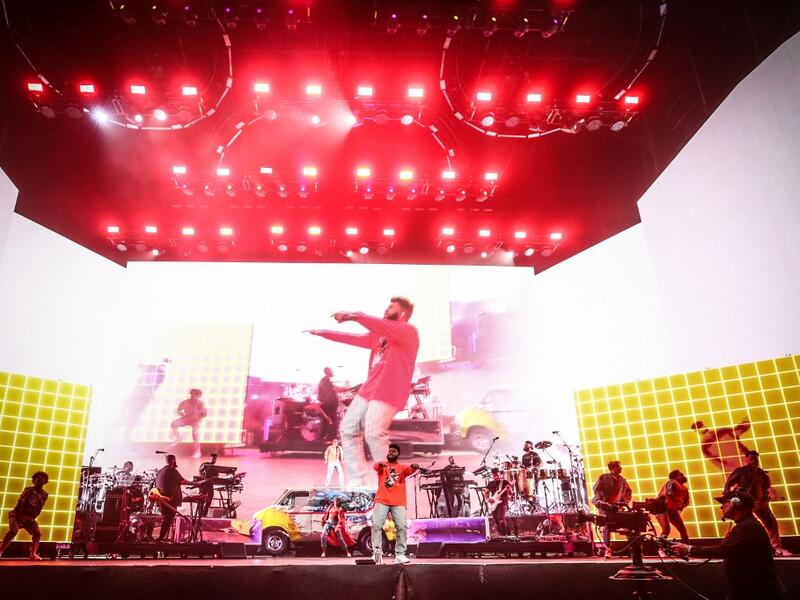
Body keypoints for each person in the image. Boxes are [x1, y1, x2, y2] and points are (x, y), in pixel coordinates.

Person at [306, 297, 419, 487]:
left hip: (389, 390)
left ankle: (391, 484)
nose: (386, 309)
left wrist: (353, 316)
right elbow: (353, 338)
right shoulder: (379, 337)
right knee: (348, 429)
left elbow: (376, 323)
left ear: (402, 313)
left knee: (374, 432)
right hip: (369, 389)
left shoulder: (408, 331)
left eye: (391, 307)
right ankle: (357, 483)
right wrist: (324, 333)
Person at [673, 490, 786, 600]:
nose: (721, 507)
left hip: (758, 594)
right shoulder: (746, 525)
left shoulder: (748, 527)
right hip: (747, 592)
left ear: (736, 503)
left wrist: (689, 550)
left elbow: (722, 550)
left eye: (724, 503)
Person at [724, 450, 787, 555]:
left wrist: (765, 500)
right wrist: (727, 498)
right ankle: (726, 546)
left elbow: (766, 488)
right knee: (737, 525)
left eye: (755, 459)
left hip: (759, 503)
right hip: (744, 503)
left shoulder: (762, 474)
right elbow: (729, 483)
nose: (753, 461)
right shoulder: (741, 471)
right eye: (751, 459)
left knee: (771, 523)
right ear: (746, 460)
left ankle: (777, 548)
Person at [371, 444, 419, 564]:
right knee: (376, 525)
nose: (390, 452)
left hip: (398, 501)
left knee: (402, 526)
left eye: (393, 451)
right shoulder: (382, 465)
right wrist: (380, 464)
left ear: (398, 454)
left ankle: (400, 554)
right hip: (382, 500)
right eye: (389, 451)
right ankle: (377, 553)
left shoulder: (402, 468)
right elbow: (375, 466)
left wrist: (414, 466)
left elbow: (410, 469)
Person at [0, 471, 49, 560]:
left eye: (42, 478)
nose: (40, 480)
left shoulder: (44, 494)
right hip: (17, 514)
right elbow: (20, 503)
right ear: (34, 480)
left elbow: (39, 508)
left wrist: (32, 519)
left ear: (45, 481)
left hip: (29, 518)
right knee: (13, 531)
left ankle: (33, 554)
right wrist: (19, 518)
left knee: (37, 534)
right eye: (38, 478)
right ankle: (0, 550)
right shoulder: (29, 491)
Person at [592, 460, 632, 559]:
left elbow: (628, 491)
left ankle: (633, 548)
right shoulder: (604, 477)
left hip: (617, 506)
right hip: (605, 506)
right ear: (613, 468)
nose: (620, 468)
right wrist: (603, 501)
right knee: (607, 526)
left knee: (627, 525)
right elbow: (596, 489)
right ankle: (608, 549)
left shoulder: (622, 480)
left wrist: (624, 502)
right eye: (618, 467)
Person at [154, 454, 190, 542]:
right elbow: (182, 481)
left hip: (161, 499)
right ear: (173, 460)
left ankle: (163, 538)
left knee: (166, 518)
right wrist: (195, 483)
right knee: (168, 518)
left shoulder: (160, 471)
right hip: (170, 499)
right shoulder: (172, 470)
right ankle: (161, 538)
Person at [171, 388, 207, 458]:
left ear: (198, 396)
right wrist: (183, 415)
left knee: (195, 434)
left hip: (195, 421)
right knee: (173, 424)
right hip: (186, 419)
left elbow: (204, 414)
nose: (193, 396)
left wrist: (198, 419)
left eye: (196, 395)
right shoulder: (186, 402)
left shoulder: (200, 403)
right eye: (192, 394)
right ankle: (178, 437)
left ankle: (197, 452)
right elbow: (179, 410)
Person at [657, 469, 691, 543]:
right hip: (663, 509)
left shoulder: (684, 489)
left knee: (683, 530)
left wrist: (682, 505)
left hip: (672, 511)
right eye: (681, 475)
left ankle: (686, 549)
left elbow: (686, 502)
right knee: (666, 530)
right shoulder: (672, 482)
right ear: (675, 477)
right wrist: (679, 503)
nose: (683, 476)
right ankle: (660, 548)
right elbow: (668, 494)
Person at [484, 468, 515, 537]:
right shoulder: (491, 483)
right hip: (494, 503)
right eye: (494, 475)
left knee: (501, 518)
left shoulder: (505, 482)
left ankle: (506, 535)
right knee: (496, 520)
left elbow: (511, 493)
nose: (495, 477)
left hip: (503, 502)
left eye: (497, 475)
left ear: (500, 474)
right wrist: (488, 499)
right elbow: (486, 492)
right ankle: (503, 535)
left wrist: (509, 490)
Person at [318, 367, 347, 439]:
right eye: (331, 370)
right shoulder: (325, 381)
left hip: (328, 404)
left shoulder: (325, 380)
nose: (332, 372)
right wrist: (345, 389)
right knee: (332, 420)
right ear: (327, 372)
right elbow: (331, 391)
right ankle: (330, 437)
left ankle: (325, 437)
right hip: (329, 405)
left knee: (328, 421)